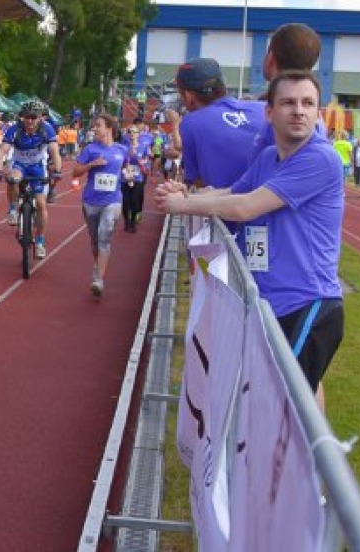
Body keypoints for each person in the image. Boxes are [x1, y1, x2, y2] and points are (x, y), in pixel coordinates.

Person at [156, 69, 344, 402]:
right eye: (288, 102)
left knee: (284, 405)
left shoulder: (319, 157)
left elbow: (245, 207)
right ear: (269, 112)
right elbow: (231, 191)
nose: (299, 110)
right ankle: (305, 455)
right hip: (270, 302)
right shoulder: (270, 158)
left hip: (306, 303)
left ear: (318, 113)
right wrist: (186, 199)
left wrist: (182, 206)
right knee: (282, 405)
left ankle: (307, 456)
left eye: (307, 103)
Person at [171, 57, 267, 189]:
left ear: (188, 96)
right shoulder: (265, 109)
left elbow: (198, 182)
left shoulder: (191, 123)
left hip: (225, 205)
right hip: (277, 203)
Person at [0, 100, 61, 258]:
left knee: (42, 204)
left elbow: (54, 151)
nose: (30, 121)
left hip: (38, 167)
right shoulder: (15, 129)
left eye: (33, 117)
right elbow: (2, 151)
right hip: (19, 165)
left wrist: (57, 170)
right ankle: (12, 208)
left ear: (40, 118)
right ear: (22, 117)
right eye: (27, 117)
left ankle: (40, 241)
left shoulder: (47, 129)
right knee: (13, 178)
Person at [74, 114, 127, 297]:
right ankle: (98, 265)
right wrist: (91, 165)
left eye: (98, 125)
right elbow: (75, 172)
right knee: (95, 240)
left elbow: (127, 167)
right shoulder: (90, 149)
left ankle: (98, 279)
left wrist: (128, 174)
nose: (94, 128)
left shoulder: (122, 150)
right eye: (94, 126)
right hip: (91, 201)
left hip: (113, 200)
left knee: (104, 236)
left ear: (109, 128)